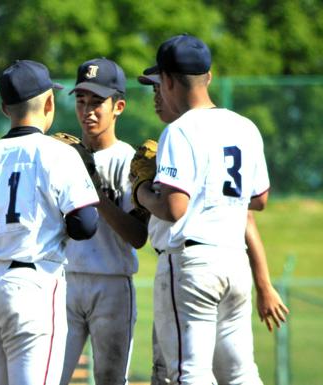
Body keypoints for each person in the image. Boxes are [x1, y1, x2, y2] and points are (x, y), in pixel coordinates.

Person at [137, 64, 289, 385]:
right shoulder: (239, 127)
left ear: (170, 84)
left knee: (187, 373)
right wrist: (261, 284)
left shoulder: (180, 134)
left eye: (157, 86)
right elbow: (255, 202)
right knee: (239, 373)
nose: (156, 96)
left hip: (191, 266)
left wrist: (143, 191)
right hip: (232, 262)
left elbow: (174, 208)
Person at [0, 59, 100, 385]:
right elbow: (86, 224)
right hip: (31, 288)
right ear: (49, 102)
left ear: (4, 108)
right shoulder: (57, 153)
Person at [59, 58, 148, 385]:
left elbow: (138, 236)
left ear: (119, 106)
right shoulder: (62, 156)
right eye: (81, 101)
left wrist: (95, 194)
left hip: (111, 281)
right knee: (52, 376)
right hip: (64, 280)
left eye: (97, 102)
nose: (88, 110)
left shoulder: (129, 161)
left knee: (110, 378)